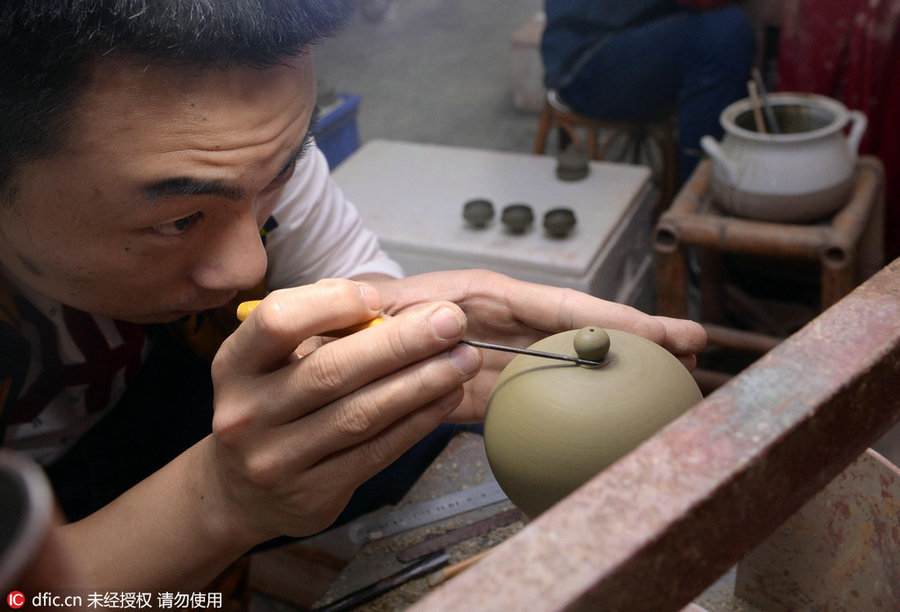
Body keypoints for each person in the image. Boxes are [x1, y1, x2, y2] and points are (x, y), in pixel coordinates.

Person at [0, 0, 706, 591]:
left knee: (406, 410)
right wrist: (216, 502)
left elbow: (353, 279)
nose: (248, 266)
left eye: (279, 176)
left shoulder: (232, 151)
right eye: (178, 220)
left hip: (154, 417)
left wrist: (394, 316)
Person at [541, 0, 756, 181]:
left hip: (639, 30)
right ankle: (700, 202)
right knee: (724, 34)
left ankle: (738, 176)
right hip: (587, 59)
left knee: (735, 30)